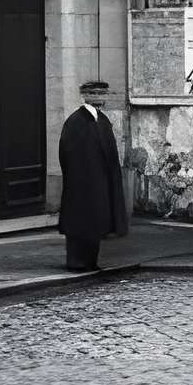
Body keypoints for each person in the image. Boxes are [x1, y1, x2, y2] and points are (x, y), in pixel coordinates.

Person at [57, 76, 129, 272]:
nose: (99, 98)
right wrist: (78, 178)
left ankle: (90, 261)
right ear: (86, 96)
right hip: (81, 183)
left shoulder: (102, 120)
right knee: (79, 224)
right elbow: (66, 153)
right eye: (95, 94)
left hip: (100, 182)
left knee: (95, 223)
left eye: (102, 94)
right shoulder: (75, 121)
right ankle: (76, 261)